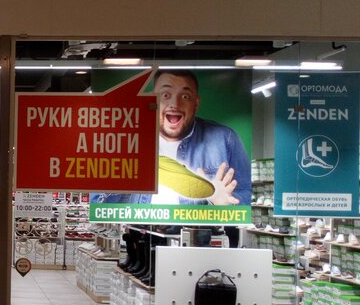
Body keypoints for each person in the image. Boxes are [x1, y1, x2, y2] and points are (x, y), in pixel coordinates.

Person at [95, 69, 251, 206]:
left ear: (196, 103)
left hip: (194, 230)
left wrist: (223, 205)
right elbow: (96, 201)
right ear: (152, 99)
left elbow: (246, 195)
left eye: (185, 96)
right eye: (165, 95)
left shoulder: (225, 139)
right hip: (137, 229)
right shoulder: (121, 141)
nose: (174, 104)